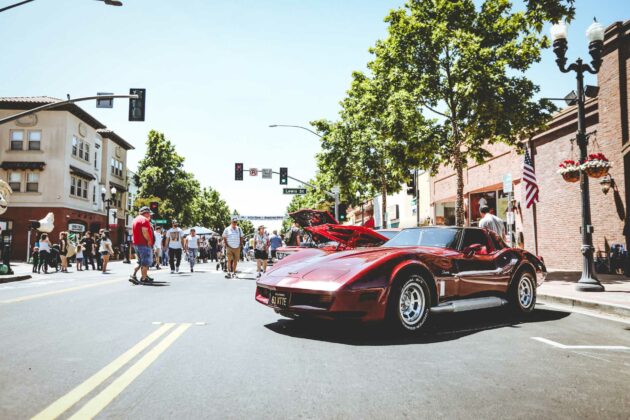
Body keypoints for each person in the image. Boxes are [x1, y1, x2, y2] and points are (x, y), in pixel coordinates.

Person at [130, 206, 155, 283]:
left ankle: (133, 275)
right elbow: (145, 232)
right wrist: (149, 241)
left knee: (140, 261)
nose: (150, 215)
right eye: (149, 214)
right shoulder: (144, 220)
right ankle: (143, 278)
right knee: (145, 262)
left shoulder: (135, 220)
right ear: (146, 213)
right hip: (144, 244)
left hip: (137, 243)